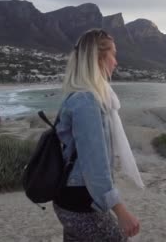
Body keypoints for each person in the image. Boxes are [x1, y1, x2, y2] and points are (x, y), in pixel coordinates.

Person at [53, 29, 143, 241]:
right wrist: (121, 211)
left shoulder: (76, 95)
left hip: (68, 198)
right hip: (80, 202)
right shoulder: (87, 101)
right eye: (113, 54)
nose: (116, 62)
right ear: (98, 58)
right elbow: (95, 166)